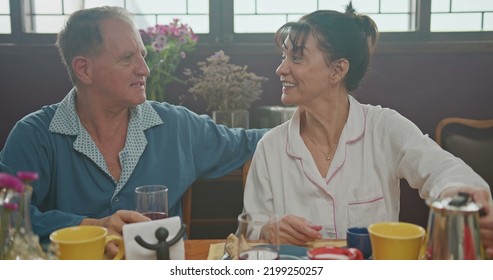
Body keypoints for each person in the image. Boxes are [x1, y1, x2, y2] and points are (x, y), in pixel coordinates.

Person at [0, 6, 265, 257]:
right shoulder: (34, 135)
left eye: (143, 55)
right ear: (84, 69)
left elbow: (252, 142)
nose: (144, 69)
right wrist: (88, 227)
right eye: (127, 58)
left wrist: (305, 109)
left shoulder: (176, 125)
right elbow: (4, 216)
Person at [242, 4, 493, 256]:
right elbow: (250, 231)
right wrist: (267, 230)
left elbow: (445, 170)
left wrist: (457, 196)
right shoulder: (271, 147)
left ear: (338, 69)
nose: (281, 69)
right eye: (283, 57)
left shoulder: (383, 128)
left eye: (296, 58)